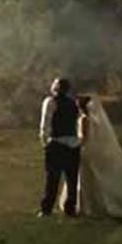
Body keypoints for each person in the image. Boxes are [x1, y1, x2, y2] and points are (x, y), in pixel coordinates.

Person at [74, 97, 122, 217]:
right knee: (93, 177)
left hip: (85, 150)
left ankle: (87, 205)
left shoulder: (83, 119)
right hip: (94, 149)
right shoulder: (94, 119)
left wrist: (74, 146)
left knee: (84, 178)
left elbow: (83, 137)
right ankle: (95, 203)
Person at [38, 77, 82, 216]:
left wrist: (45, 142)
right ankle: (70, 208)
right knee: (72, 179)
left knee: (52, 179)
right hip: (73, 144)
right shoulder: (74, 103)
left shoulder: (50, 101)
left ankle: (47, 209)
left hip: (57, 142)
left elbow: (45, 122)